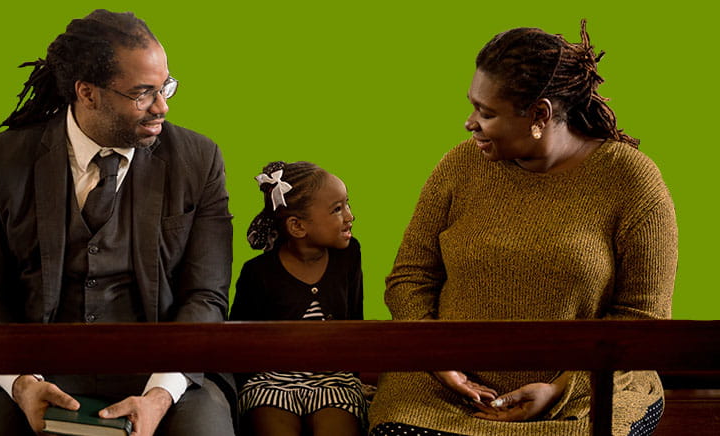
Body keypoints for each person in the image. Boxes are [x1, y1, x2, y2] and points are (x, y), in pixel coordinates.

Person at [367, 20, 678, 436]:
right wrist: (442, 364)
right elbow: (409, 277)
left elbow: (643, 321)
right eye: (473, 105)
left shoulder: (633, 181)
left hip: (588, 396)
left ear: (539, 114)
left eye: (487, 112)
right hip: (444, 392)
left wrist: (558, 390)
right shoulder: (459, 166)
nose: (469, 122)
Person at [0, 9, 235, 436]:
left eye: (166, 88)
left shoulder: (199, 160)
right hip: (33, 373)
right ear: (87, 93)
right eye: (143, 93)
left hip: (169, 375)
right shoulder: (1, 159)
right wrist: (22, 382)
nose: (161, 107)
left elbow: (207, 296)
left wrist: (160, 394)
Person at [229, 161, 366, 436]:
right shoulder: (258, 273)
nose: (350, 216)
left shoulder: (349, 256)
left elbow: (354, 321)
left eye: (347, 204)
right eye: (337, 209)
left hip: (333, 379)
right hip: (270, 380)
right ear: (297, 226)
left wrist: (356, 377)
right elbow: (240, 343)